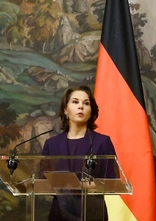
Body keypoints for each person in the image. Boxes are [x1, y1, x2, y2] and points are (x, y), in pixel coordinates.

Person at [41, 85, 116, 221]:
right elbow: (41, 181)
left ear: (91, 111)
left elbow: (112, 183)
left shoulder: (102, 142)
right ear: (65, 109)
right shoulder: (51, 144)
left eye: (86, 103)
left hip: (93, 213)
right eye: (75, 102)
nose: (80, 106)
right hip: (60, 213)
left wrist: (80, 185)